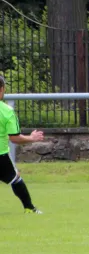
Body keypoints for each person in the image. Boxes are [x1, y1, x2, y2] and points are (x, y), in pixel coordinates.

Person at [0, 75, 45, 214]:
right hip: (0, 155)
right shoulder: (6, 111)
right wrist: (31, 138)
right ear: (2, 89)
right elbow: (14, 138)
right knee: (15, 178)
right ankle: (29, 208)